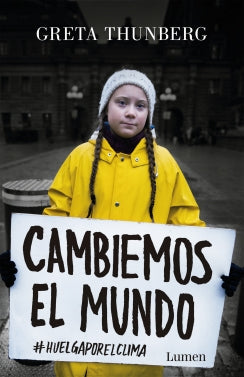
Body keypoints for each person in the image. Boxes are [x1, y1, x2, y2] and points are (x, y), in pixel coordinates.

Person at [0, 69, 244, 377]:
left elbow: (186, 223)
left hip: (139, 337)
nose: (130, 112)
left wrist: (214, 264)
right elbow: (55, 219)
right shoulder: (79, 158)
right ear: (105, 108)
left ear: (149, 114)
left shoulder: (166, 163)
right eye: (122, 102)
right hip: (80, 325)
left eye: (140, 105)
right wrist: (25, 260)